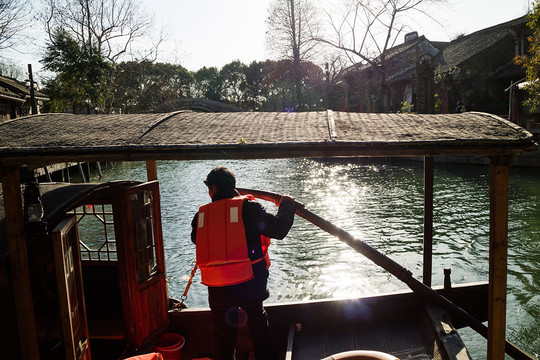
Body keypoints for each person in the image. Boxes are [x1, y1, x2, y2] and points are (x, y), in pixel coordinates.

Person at [191, 166, 295, 360]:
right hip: (249, 280)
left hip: (217, 286)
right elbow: (279, 229)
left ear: (213, 188)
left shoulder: (201, 216)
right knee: (256, 320)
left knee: (223, 334)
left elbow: (196, 240)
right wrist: (287, 205)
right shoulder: (248, 209)